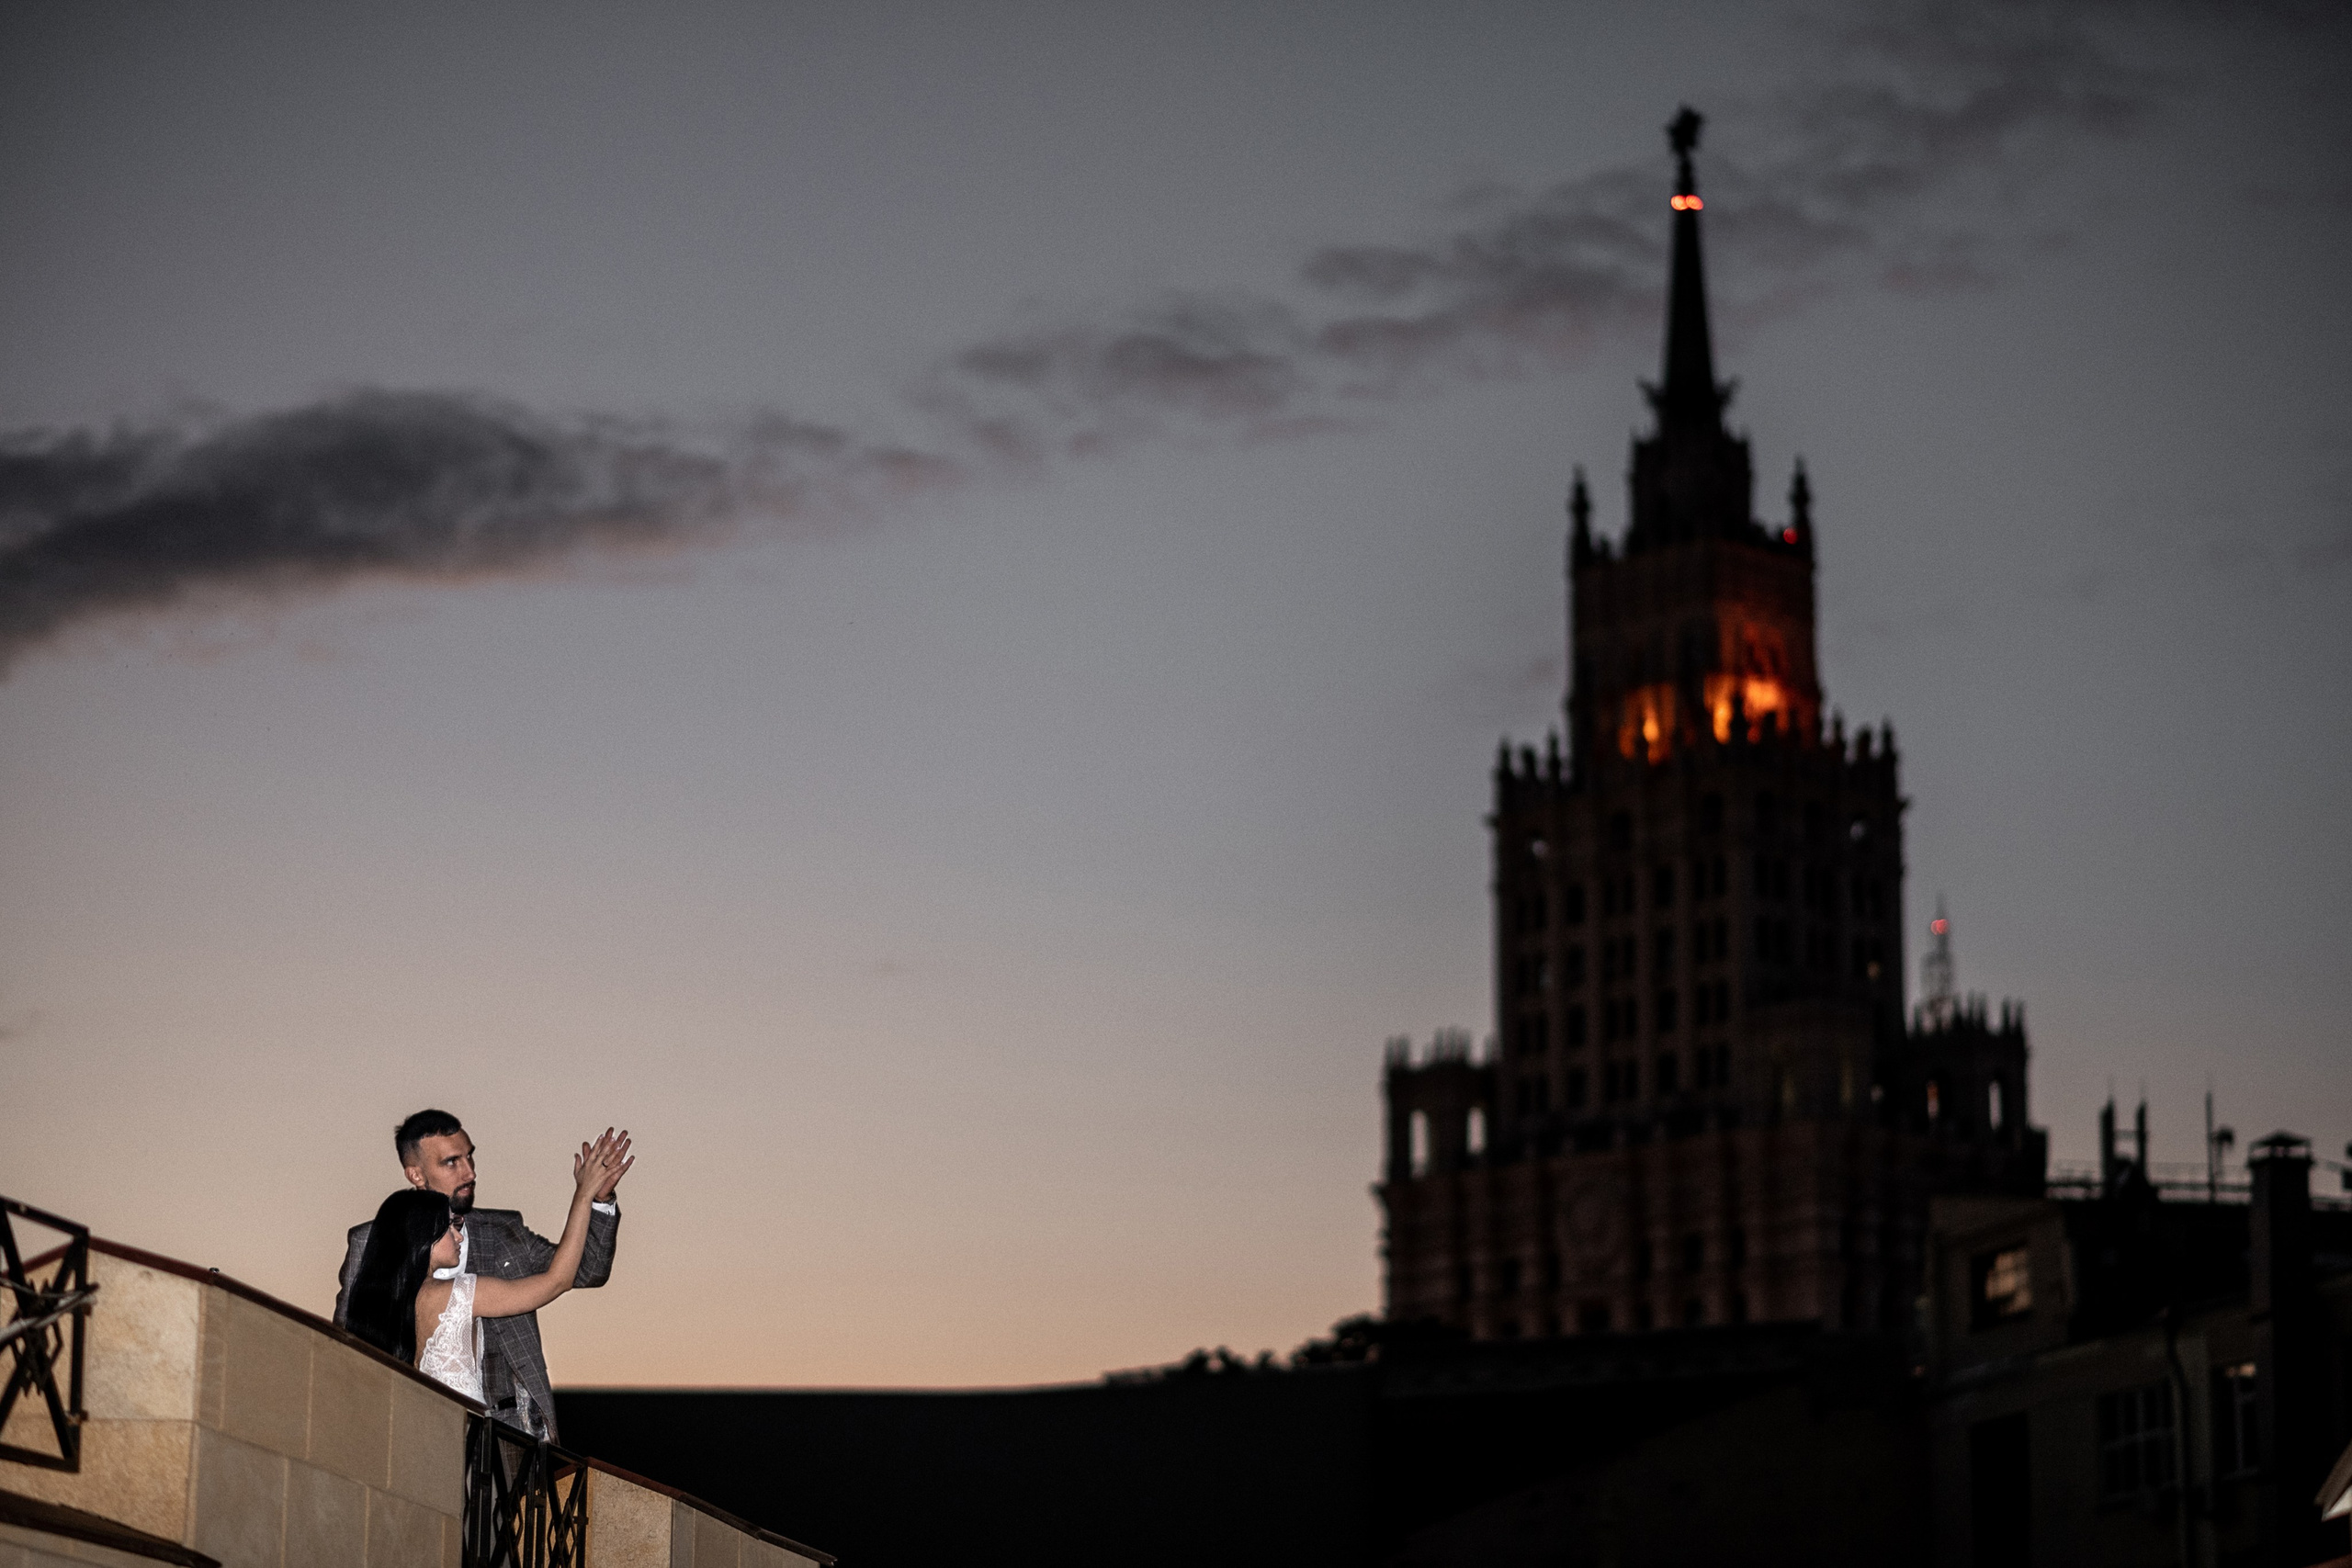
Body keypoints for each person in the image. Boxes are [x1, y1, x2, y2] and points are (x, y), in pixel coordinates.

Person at [334, 1111, 629, 1440]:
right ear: (416, 1174)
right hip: (411, 1429)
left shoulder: (504, 1231)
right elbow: (348, 1347)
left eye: (469, 1157)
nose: (470, 1172)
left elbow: (586, 1271)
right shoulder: (369, 1242)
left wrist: (599, 1200)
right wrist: (582, 1195)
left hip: (512, 1431)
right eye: (452, 1162)